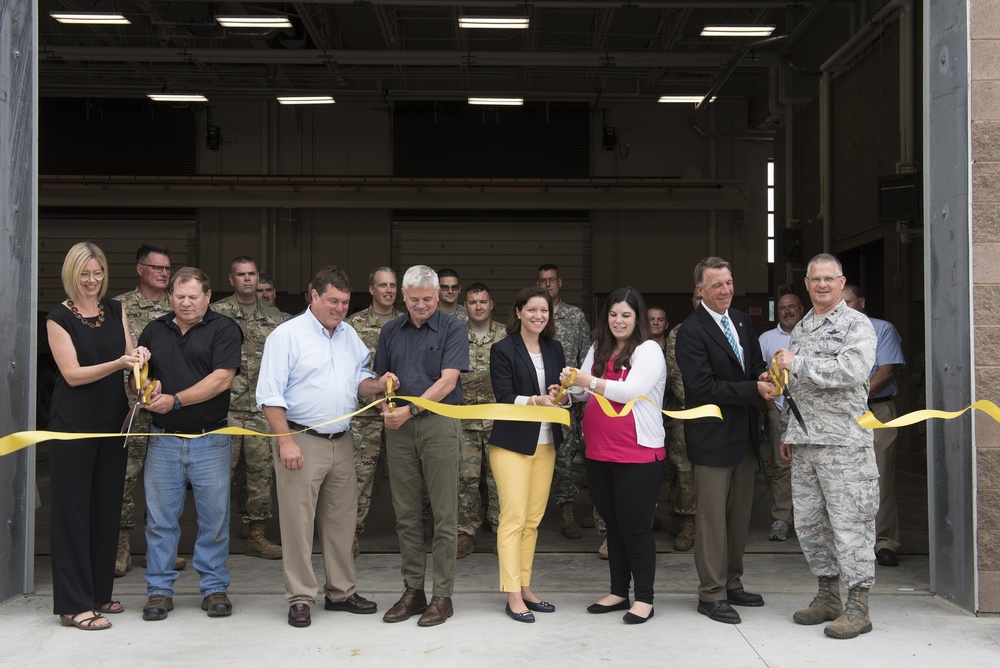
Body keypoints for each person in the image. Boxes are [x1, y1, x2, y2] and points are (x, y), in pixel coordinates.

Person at [258, 266, 395, 628]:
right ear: (313, 295)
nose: (339, 309)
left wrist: (377, 384)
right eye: (332, 301)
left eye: (345, 303)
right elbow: (269, 396)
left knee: (341, 522)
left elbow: (359, 381)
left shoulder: (349, 335)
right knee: (298, 523)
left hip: (341, 439)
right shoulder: (286, 336)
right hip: (300, 439)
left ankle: (341, 592)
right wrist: (285, 442)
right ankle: (301, 597)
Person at [46, 241, 151, 630]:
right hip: (73, 424)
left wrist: (138, 362)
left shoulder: (115, 309)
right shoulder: (58, 318)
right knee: (73, 511)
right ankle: (74, 605)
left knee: (107, 506)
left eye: (98, 273)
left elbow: (128, 358)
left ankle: (99, 592)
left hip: (112, 421)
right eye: (84, 274)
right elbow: (72, 375)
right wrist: (120, 362)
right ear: (71, 275)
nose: (92, 281)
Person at [775, 254, 878, 640]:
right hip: (805, 443)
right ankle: (828, 596)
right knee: (811, 525)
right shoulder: (801, 327)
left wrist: (798, 362)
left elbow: (853, 371)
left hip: (843, 445)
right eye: (815, 279)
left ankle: (859, 606)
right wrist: (788, 431)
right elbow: (796, 388)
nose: (821, 285)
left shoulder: (856, 324)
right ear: (806, 283)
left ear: (841, 282)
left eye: (828, 279)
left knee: (850, 524)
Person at [138, 267, 242, 622]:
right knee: (159, 521)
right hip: (163, 439)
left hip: (210, 439)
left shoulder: (224, 329)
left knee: (213, 519)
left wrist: (177, 400)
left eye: (192, 296)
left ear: (208, 297)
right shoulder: (154, 330)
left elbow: (221, 379)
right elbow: (146, 377)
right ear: (170, 298)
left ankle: (214, 588)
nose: (185, 303)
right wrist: (148, 389)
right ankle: (159, 591)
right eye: (179, 297)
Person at [559, 286, 666, 624]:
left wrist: (587, 381)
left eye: (626, 315)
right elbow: (579, 392)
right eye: (613, 314)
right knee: (614, 528)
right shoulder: (598, 347)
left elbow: (630, 391)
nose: (619, 321)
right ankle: (619, 591)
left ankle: (644, 598)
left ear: (638, 319)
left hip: (638, 453)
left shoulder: (649, 350)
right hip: (599, 452)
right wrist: (565, 388)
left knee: (635, 527)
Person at [676, 257, 772, 625]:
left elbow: (752, 367)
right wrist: (754, 389)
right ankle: (711, 593)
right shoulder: (691, 331)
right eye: (717, 285)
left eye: (729, 282)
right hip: (712, 437)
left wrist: (766, 373)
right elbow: (702, 388)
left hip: (744, 436)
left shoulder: (743, 321)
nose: (726, 290)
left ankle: (732, 582)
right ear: (700, 290)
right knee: (713, 520)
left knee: (738, 518)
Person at [375, 265, 469, 627]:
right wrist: (386, 407)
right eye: (414, 300)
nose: (421, 305)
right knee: (406, 513)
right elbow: (381, 379)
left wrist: (410, 410)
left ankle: (442, 595)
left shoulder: (452, 327)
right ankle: (413, 590)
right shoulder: (390, 331)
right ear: (403, 295)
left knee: (445, 514)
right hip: (398, 428)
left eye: (428, 299)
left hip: (438, 423)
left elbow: (448, 381)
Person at [488, 286, 567, 622]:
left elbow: (564, 396)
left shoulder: (555, 348)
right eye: (532, 310)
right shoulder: (502, 349)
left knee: (532, 521)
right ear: (518, 312)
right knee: (514, 519)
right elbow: (505, 396)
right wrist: (536, 400)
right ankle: (512, 592)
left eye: (544, 311)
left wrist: (559, 396)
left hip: (546, 442)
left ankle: (526, 585)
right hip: (512, 444)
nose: (538, 316)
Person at [113, 244, 186, 577]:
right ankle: (121, 549)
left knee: (165, 486)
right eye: (157, 268)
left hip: (167, 411)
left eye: (168, 269)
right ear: (140, 269)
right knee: (124, 482)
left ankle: (161, 551)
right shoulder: (119, 307)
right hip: (129, 411)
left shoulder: (181, 305)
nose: (164, 274)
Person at [210, 256, 286, 559]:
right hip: (223, 409)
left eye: (252, 274)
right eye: (241, 274)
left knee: (261, 477)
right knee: (216, 478)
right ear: (231, 279)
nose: (247, 279)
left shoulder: (275, 317)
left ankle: (256, 536)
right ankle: (213, 538)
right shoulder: (216, 314)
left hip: (261, 410)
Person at [842, 284, 906, 568]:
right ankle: (852, 542)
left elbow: (886, 370)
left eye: (849, 302)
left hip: (877, 409)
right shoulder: (833, 332)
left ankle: (885, 542)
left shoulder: (883, 329)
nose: (844, 308)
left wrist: (853, 395)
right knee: (843, 479)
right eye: (839, 304)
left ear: (862, 302)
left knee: (880, 478)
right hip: (842, 415)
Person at [347, 266, 403, 556]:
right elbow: (349, 370)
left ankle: (411, 535)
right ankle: (350, 535)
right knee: (360, 477)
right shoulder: (352, 325)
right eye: (383, 285)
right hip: (365, 413)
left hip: (400, 413)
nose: (388, 290)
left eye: (393, 285)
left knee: (408, 476)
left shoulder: (408, 322)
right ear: (371, 289)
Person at [536, 263, 591, 539]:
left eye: (551, 280)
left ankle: (568, 512)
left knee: (566, 457)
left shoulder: (575, 316)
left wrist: (583, 396)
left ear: (560, 282)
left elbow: (586, 357)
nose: (547, 285)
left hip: (568, 400)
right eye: (542, 281)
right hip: (538, 396)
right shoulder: (534, 315)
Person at [457, 282, 505, 558]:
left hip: (499, 420)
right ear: (465, 306)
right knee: (466, 481)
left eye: (483, 302)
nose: (478, 306)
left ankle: (502, 533)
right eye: (473, 302)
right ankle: (465, 534)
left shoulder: (506, 334)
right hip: (465, 423)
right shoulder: (454, 335)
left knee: (500, 481)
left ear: (491, 304)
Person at [757, 292, 805, 542]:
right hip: (779, 411)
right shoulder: (766, 339)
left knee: (812, 465)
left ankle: (812, 523)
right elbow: (758, 377)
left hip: (812, 413)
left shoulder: (811, 332)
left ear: (801, 308)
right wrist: (772, 412)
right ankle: (782, 519)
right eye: (783, 308)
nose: (787, 311)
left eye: (792, 307)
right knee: (781, 466)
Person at [662, 287, 702, 552]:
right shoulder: (680, 332)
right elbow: (674, 371)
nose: (703, 302)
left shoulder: (731, 327)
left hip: (719, 413)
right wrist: (697, 401)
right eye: (698, 298)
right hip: (687, 411)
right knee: (682, 468)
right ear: (693, 300)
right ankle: (685, 520)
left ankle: (704, 521)